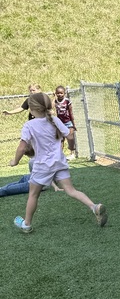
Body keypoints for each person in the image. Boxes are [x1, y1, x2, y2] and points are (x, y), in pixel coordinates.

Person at [9, 91, 107, 233]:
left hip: (42, 166)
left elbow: (22, 147)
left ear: (32, 108)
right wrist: (71, 147)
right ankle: (94, 206)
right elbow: (70, 135)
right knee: (71, 190)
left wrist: (15, 161)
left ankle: (27, 224)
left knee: (33, 194)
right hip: (59, 163)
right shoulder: (55, 120)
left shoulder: (29, 125)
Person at [53, 85, 77, 155]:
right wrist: (54, 97)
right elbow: (51, 107)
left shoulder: (67, 101)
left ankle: (72, 152)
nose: (60, 95)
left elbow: (71, 112)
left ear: (64, 93)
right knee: (61, 139)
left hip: (68, 122)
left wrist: (73, 124)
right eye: (58, 93)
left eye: (61, 93)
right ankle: (60, 155)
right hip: (60, 123)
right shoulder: (55, 100)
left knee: (70, 138)